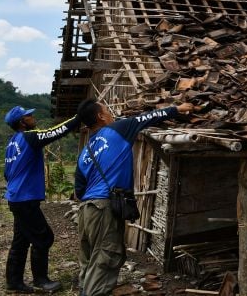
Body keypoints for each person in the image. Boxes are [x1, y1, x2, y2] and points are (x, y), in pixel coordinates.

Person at [75, 99, 194, 296]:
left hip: (86, 209)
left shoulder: (84, 152)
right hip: (104, 208)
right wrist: (178, 109)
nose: (110, 113)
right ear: (100, 116)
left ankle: (84, 291)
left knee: (88, 259)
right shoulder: (117, 130)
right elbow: (148, 117)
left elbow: (79, 190)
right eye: (107, 110)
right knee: (105, 257)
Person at [3, 106, 80, 293]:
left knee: (21, 240)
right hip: (25, 199)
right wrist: (79, 118)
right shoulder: (30, 137)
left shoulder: (12, 143)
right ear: (22, 122)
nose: (32, 117)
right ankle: (41, 281)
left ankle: (14, 282)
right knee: (43, 237)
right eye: (28, 115)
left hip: (16, 196)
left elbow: (7, 174)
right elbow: (56, 132)